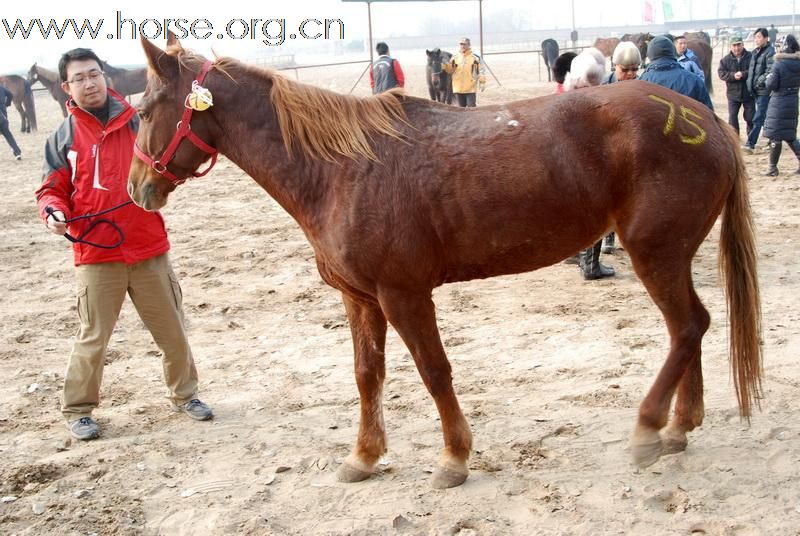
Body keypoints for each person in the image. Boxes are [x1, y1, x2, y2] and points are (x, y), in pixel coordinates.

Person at [34, 48, 213, 441]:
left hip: (149, 247)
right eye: (79, 77)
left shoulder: (139, 121)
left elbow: (171, 154)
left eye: (94, 74)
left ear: (106, 77)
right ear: (66, 87)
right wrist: (52, 211)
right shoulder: (62, 137)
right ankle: (79, 409)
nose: (89, 82)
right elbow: (51, 189)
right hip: (96, 254)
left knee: (172, 331)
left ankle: (186, 396)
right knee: (93, 336)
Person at [561, 47, 616, 280]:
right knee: (595, 213)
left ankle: (576, 253)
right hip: (588, 171)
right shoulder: (596, 103)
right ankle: (590, 264)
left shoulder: (565, 102)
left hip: (570, 171)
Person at [640, 35, 714, 110]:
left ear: (650, 54)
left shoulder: (641, 82)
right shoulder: (695, 81)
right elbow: (709, 115)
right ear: (673, 52)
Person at [762, 35, 800, 176]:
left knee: (775, 135)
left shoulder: (779, 64)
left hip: (779, 101)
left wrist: (767, 79)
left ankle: (772, 168)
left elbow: (771, 84)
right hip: (793, 99)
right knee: (790, 135)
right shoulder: (798, 63)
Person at [742, 28, 776, 153]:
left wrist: (759, 82)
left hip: (764, 90)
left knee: (759, 117)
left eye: (759, 37)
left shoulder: (770, 52)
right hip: (755, 90)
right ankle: (772, 140)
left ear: (766, 38)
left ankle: (750, 143)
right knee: (766, 116)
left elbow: (770, 71)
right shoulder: (755, 52)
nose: (757, 40)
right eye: (756, 37)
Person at [718, 35, 754, 137]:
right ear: (730, 46)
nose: (736, 48)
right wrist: (733, 76)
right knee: (732, 118)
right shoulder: (725, 60)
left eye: (738, 45)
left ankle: (751, 139)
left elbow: (754, 71)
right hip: (733, 94)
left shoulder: (751, 57)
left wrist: (743, 74)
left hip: (748, 93)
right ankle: (735, 139)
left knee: (750, 117)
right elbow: (721, 73)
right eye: (734, 45)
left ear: (742, 45)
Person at [442, 37, 485, 107]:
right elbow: (450, 70)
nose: (462, 46)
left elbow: (481, 71)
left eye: (464, 44)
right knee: (460, 110)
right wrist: (444, 66)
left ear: (469, 45)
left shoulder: (475, 58)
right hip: (458, 88)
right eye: (461, 44)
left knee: (471, 108)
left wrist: (482, 82)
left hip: (470, 88)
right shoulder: (454, 58)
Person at [0, 84, 22, 160]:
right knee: (8, 134)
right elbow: (10, 94)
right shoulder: (1, 88)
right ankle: (17, 153)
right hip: (3, 115)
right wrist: (7, 103)